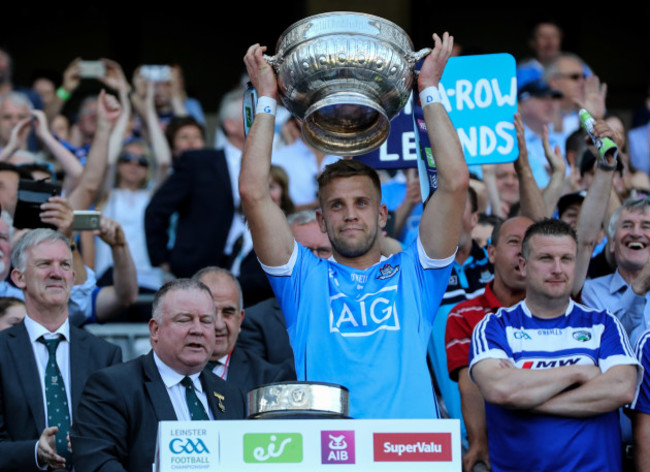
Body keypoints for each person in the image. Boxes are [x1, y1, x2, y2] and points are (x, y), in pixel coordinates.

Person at [239, 32, 468, 419]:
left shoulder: (416, 274)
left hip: (410, 453)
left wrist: (428, 90)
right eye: (337, 205)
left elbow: (455, 183)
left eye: (361, 203)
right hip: (331, 451)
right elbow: (253, 193)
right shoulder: (302, 281)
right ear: (321, 219)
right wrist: (266, 100)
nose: (349, 214)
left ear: (382, 214)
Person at [470, 219, 639, 472]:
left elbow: (622, 388)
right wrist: (580, 372)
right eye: (546, 258)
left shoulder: (603, 324)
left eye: (567, 259)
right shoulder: (495, 326)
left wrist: (526, 398)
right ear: (523, 266)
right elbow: (500, 390)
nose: (558, 269)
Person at [70, 278, 246, 471]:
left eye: (206, 321)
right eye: (184, 320)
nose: (197, 330)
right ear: (155, 330)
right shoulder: (113, 387)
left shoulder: (231, 396)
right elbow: (96, 464)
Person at [0, 228, 122, 471]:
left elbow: (118, 439)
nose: (56, 273)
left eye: (65, 265)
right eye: (45, 264)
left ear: (73, 277)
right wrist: (34, 452)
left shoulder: (105, 354)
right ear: (19, 277)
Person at [445, 216, 533, 472]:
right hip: (496, 452)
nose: (522, 251)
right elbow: (471, 384)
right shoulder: (464, 314)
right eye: (514, 242)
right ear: (491, 253)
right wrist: (479, 442)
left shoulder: (558, 310)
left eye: (529, 244)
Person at [194, 267, 296, 395]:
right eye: (209, 313)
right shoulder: (167, 366)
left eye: (228, 313)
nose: (219, 325)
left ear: (240, 319)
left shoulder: (266, 378)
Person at [582, 197, 650, 347]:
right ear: (612, 243)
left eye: (646, 226)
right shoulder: (591, 291)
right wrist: (638, 287)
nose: (636, 233)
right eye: (627, 225)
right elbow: (606, 342)